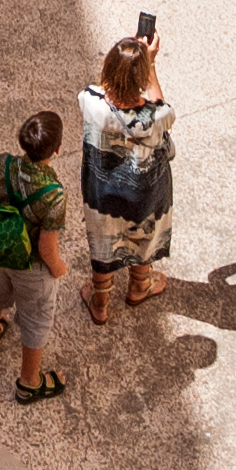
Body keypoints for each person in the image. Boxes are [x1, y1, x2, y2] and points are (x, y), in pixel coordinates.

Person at [0, 108, 73, 403]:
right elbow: (46, 247)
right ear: (57, 149)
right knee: (35, 318)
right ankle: (29, 382)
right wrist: (58, 268)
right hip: (32, 269)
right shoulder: (54, 194)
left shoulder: (0, 164)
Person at [78, 31, 175, 324]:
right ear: (142, 79)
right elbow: (158, 105)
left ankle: (100, 302)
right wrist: (150, 63)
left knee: (103, 241)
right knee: (144, 234)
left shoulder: (89, 100)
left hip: (102, 192)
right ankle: (139, 286)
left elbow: (104, 88)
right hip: (146, 192)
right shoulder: (157, 117)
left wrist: (127, 62)